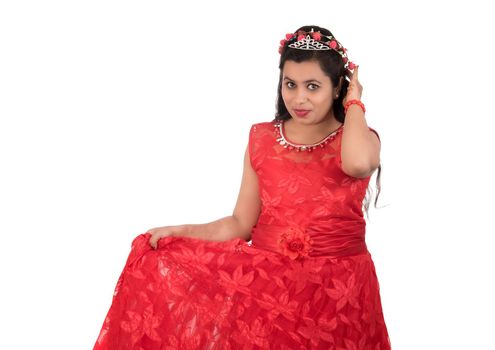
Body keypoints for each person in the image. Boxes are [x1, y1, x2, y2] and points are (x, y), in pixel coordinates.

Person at [93, 25, 392, 349]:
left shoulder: (358, 138)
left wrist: (355, 103)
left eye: (313, 86)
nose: (299, 97)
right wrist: (180, 232)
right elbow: (240, 224)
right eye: (290, 84)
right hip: (270, 295)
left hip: (338, 295)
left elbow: (358, 163)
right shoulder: (263, 139)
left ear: (337, 89)